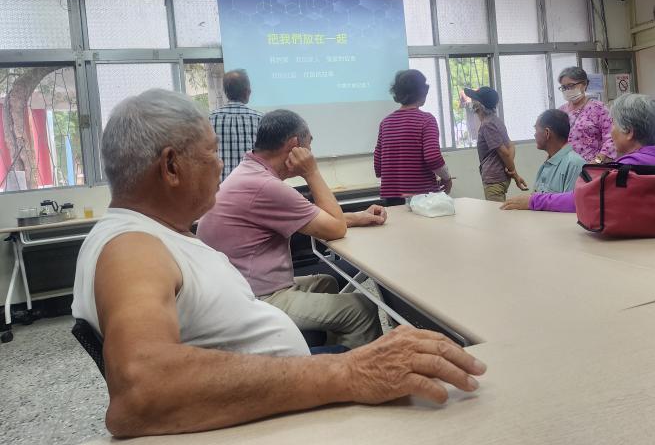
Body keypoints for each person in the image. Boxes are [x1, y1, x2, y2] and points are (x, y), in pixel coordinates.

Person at [72, 89, 485, 437]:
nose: (221, 164)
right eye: (212, 153)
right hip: (288, 424)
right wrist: (348, 372)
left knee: (333, 291)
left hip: (284, 395)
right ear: (171, 166)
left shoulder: (157, 232)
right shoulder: (131, 248)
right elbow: (141, 389)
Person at [198, 109, 384, 349]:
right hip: (255, 299)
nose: (311, 153)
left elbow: (314, 217)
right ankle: (354, 378)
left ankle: (331, 354)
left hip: (238, 288)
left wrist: (358, 217)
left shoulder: (249, 173)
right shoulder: (264, 185)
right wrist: (312, 172)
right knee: (362, 308)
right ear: (296, 145)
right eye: (310, 145)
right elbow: (335, 228)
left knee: (326, 282)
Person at [501, 94, 655, 212]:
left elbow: (585, 198)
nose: (610, 132)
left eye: (614, 124)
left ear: (629, 132)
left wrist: (533, 201)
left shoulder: (628, 169)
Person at [374, 69, 452, 205]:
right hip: (421, 196)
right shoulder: (426, 120)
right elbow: (433, 157)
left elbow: (378, 163)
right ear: (422, 93)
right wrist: (447, 178)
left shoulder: (386, 122)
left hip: (391, 196)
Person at [502, 110, 584, 210]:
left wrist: (531, 202)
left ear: (547, 133)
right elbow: (535, 200)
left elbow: (573, 206)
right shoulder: (547, 164)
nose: (534, 135)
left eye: (536, 130)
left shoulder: (575, 164)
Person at [464, 86, 527, 202]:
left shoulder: (487, 125)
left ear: (479, 105)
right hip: (499, 177)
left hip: (494, 180)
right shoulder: (496, 121)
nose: (471, 102)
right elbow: (510, 147)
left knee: (496, 217)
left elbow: (504, 153)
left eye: (474, 100)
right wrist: (513, 173)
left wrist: (515, 175)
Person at [209, 69, 262, 181]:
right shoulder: (261, 119)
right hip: (252, 188)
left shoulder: (209, 119)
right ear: (247, 91)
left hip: (220, 190)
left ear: (225, 92)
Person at [557, 66, 616, 163]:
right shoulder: (561, 111)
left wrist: (597, 161)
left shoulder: (599, 108)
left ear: (584, 84)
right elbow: (556, 140)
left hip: (591, 167)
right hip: (567, 166)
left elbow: (611, 139)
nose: (567, 90)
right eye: (564, 87)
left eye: (571, 86)